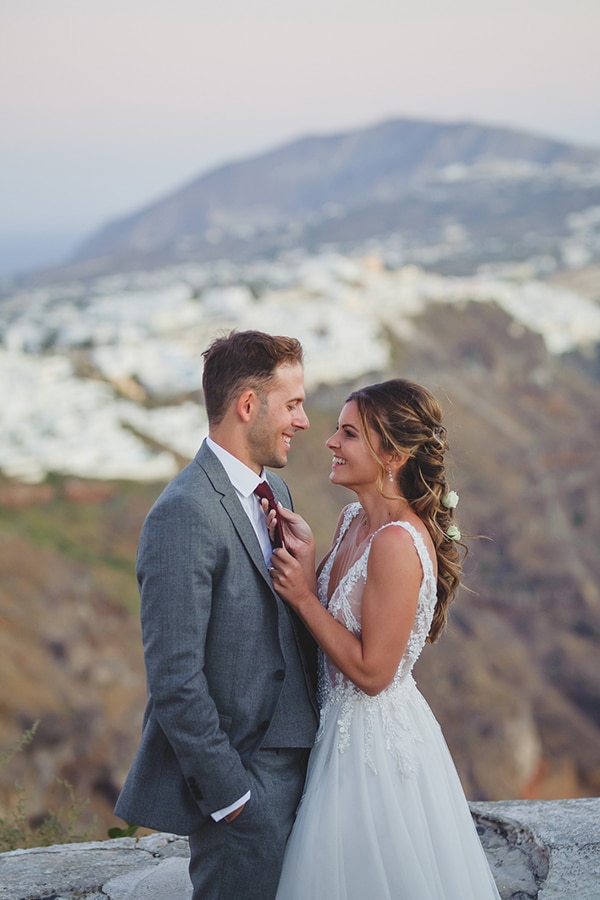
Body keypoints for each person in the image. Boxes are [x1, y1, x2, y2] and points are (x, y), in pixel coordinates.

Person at [268, 379, 501, 899]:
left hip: (373, 748)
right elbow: (337, 619)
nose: (330, 442)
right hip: (333, 732)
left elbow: (374, 674)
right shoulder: (353, 520)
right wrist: (310, 562)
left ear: (391, 454)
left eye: (348, 434)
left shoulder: (397, 542)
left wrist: (303, 597)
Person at [114, 330, 319, 900]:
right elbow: (175, 680)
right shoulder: (182, 514)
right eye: (293, 404)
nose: (304, 421)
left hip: (309, 772)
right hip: (247, 786)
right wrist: (233, 799)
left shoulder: (275, 490)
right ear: (247, 406)